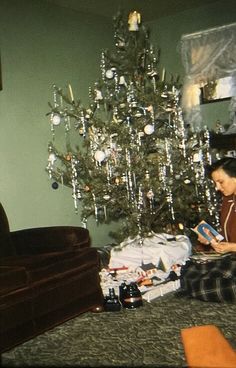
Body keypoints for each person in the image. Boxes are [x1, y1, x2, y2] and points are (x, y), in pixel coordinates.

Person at [180, 157, 236, 302]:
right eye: (215, 183)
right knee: (189, 271)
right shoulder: (228, 200)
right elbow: (227, 237)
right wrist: (211, 238)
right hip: (231, 258)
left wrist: (231, 247)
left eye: (221, 182)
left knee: (205, 287)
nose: (217, 187)